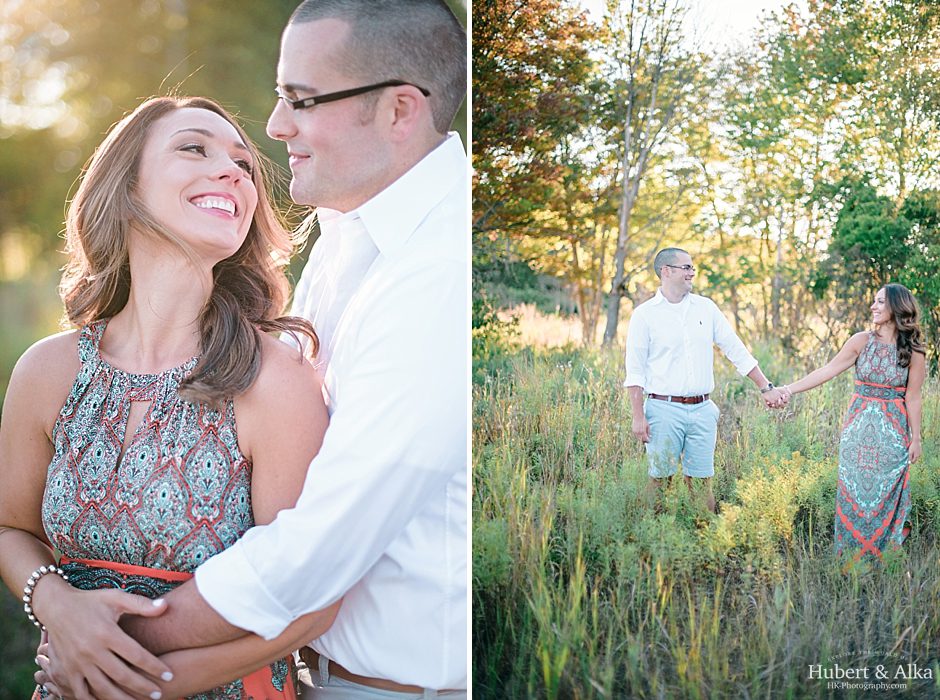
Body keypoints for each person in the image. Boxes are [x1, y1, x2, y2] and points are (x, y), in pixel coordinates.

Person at [37, 0, 468, 698]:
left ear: (398, 111)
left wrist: (105, 645)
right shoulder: (346, 241)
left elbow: (316, 553)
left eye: (301, 100)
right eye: (280, 98)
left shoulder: (437, 275)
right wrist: (55, 605)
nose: (273, 130)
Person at [0, 95, 341, 699]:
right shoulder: (46, 371)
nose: (234, 171)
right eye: (194, 148)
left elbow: (312, 604)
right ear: (125, 186)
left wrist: (144, 685)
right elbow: (9, 529)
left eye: (244, 164)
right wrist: (57, 606)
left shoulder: (276, 380)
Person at [624, 247, 788, 513]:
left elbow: (735, 349)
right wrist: (637, 416)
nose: (691, 273)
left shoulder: (706, 308)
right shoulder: (645, 315)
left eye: (692, 268)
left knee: (700, 483)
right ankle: (652, 544)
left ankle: (707, 542)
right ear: (666, 272)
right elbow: (635, 371)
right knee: (660, 481)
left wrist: (765, 387)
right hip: (663, 410)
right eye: (685, 267)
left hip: (702, 410)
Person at [779, 284, 925, 565]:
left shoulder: (913, 351)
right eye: (873, 301)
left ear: (896, 307)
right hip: (857, 433)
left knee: (885, 496)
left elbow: (914, 397)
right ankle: (850, 561)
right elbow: (828, 370)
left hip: (893, 435)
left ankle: (882, 558)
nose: (873, 306)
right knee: (854, 495)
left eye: (880, 302)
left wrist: (915, 438)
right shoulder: (861, 340)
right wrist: (789, 389)